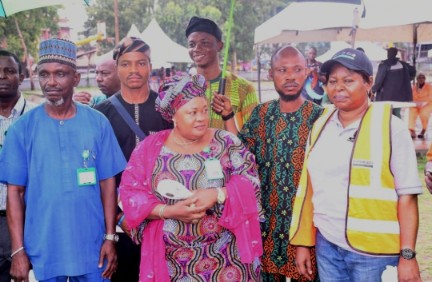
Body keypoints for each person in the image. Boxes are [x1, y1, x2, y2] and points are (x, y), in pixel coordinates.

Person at [290, 48, 422, 282]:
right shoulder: (321, 126)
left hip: (374, 254)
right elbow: (309, 189)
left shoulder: (392, 128)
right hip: (328, 247)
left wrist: (408, 256)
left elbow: (407, 196)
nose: (338, 87)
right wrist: (303, 242)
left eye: (348, 80)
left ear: (369, 83)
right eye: (332, 81)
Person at [0, 38, 126, 282]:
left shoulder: (98, 123)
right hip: (42, 248)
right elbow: (14, 192)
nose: (51, 82)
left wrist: (110, 237)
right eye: (44, 74)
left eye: (60, 74)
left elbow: (108, 184)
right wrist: (18, 252)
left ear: (76, 78)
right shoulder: (22, 129)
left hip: (91, 247)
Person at [119, 74, 263, 281]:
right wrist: (168, 211)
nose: (202, 117)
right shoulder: (149, 149)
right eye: (192, 112)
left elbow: (252, 183)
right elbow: (131, 196)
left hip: (228, 261)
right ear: (174, 116)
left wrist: (217, 194)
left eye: (204, 110)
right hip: (173, 264)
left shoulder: (226, 142)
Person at [238, 46, 323, 282]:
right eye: (282, 70)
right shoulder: (261, 114)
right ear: (270, 74)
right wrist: (227, 118)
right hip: (266, 226)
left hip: (305, 229)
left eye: (297, 69)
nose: (290, 76)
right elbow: (239, 154)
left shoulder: (321, 118)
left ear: (307, 72)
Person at [94, 37, 172, 282]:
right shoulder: (100, 115)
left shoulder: (167, 111)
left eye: (141, 63)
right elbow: (95, 173)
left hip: (163, 220)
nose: (134, 70)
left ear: (150, 66)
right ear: (117, 68)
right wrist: (117, 216)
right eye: (126, 64)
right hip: (118, 224)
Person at [185, 16, 258, 134]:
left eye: (204, 43)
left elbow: (252, 139)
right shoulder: (183, 88)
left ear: (219, 45)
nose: (197, 49)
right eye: (192, 44)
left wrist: (228, 116)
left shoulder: (244, 89)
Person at [0, 49, 36, 282]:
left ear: (21, 77)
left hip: (28, 221)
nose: (2, 76)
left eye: (9, 71)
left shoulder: (38, 116)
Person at [372, 47, 416, 118]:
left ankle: (388, 128)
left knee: (386, 115)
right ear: (396, 54)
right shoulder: (403, 65)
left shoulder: (384, 65)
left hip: (386, 96)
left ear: (388, 54)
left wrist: (373, 90)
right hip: (400, 96)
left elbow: (379, 81)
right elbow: (413, 72)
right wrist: (407, 80)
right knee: (397, 113)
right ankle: (398, 127)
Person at [408, 73, 432, 139]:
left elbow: (430, 97)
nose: (421, 79)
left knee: (424, 114)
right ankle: (412, 131)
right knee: (412, 113)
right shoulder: (414, 87)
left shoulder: (429, 86)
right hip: (416, 104)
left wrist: (423, 103)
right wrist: (415, 103)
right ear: (417, 79)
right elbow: (411, 97)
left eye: (422, 78)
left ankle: (423, 130)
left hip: (427, 104)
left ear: (424, 79)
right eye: (419, 78)